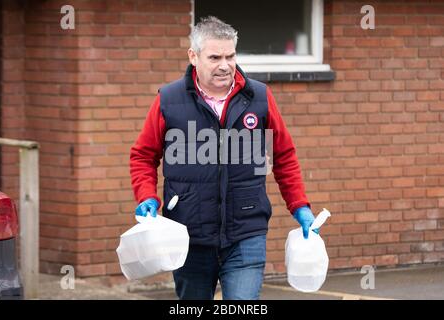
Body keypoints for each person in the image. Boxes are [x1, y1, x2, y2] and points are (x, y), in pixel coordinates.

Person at [130, 16, 317, 300]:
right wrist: (146, 196)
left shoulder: (259, 98)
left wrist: (299, 205)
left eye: (230, 56)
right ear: (194, 56)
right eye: (215, 57)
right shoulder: (169, 99)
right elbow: (143, 155)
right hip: (188, 234)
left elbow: (283, 155)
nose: (225, 65)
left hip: (246, 231)